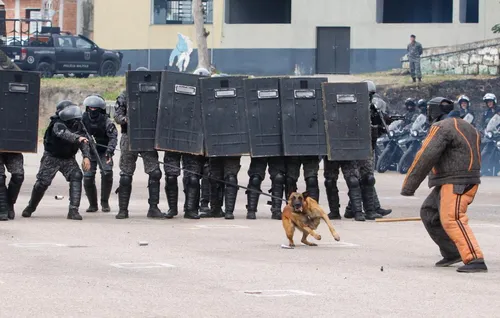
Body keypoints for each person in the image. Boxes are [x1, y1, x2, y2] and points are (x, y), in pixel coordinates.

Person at [401, 97, 487, 273]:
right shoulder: (468, 126)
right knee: (430, 212)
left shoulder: (441, 128)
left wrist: (409, 186)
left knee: (452, 218)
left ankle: (474, 258)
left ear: (433, 112)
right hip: (459, 180)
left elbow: (425, 156)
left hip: (456, 181)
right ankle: (452, 251)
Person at [22, 104, 91, 220]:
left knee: (77, 175)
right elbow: (64, 134)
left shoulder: (79, 125)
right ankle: (30, 207)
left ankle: (73, 210)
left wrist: (86, 156)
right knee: (42, 183)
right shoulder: (57, 124)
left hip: (68, 158)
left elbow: (84, 141)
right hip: (51, 158)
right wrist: (77, 138)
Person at [114, 88, 166, 220]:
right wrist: (126, 119)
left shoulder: (154, 93)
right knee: (125, 174)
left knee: (155, 172)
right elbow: (117, 116)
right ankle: (123, 210)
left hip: (147, 137)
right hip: (129, 136)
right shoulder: (125, 95)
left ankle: (153, 208)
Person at [81, 95, 117, 213]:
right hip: (89, 152)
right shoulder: (82, 120)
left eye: (95, 108)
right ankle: (93, 204)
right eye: (90, 108)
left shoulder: (107, 121)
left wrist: (109, 151)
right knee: (87, 177)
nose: (92, 111)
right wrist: (85, 153)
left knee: (107, 173)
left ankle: (104, 202)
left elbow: (113, 137)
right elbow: (79, 136)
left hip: (104, 152)